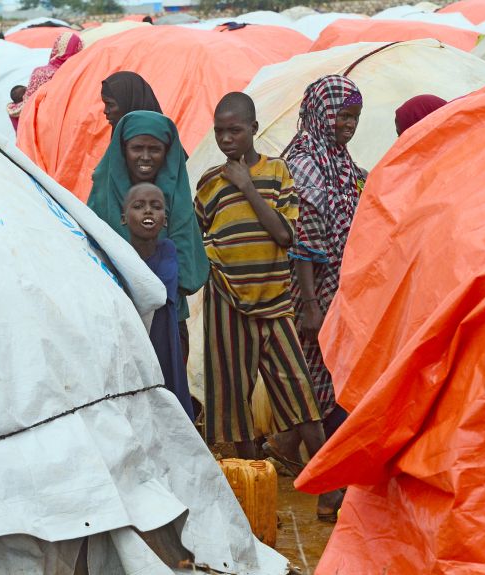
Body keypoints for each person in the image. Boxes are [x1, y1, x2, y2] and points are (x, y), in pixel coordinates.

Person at [195, 92, 340, 520]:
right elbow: (201, 236)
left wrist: (245, 185)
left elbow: (284, 235)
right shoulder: (207, 182)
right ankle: (252, 492)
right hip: (227, 303)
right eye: (220, 131)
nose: (226, 138)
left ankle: (330, 487)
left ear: (254, 129)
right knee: (234, 403)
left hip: (275, 302)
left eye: (234, 129)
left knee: (299, 394)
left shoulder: (278, 173)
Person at [277, 75, 366, 451]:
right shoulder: (305, 163)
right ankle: (318, 459)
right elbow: (305, 239)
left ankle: (284, 447)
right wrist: (311, 305)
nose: (349, 125)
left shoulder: (338, 159)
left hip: (336, 285)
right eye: (342, 116)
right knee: (314, 368)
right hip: (309, 288)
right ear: (322, 113)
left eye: (355, 117)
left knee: (323, 369)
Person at [88, 110, 208, 362]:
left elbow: (189, 266)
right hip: (118, 315)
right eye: (137, 148)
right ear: (123, 150)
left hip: (169, 315)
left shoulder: (176, 194)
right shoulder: (104, 193)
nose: (145, 157)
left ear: (167, 152)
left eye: (154, 149)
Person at [121, 182, 195, 420]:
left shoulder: (167, 250)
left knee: (167, 395)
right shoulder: (119, 253)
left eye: (156, 206)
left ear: (165, 219)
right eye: (139, 206)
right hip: (132, 339)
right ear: (124, 218)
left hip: (162, 337)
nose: (148, 211)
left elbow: (156, 292)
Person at [7, 31, 83, 131]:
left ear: (57, 47)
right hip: (69, 127)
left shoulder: (39, 72)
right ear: (78, 49)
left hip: (42, 128)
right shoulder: (80, 73)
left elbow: (28, 102)